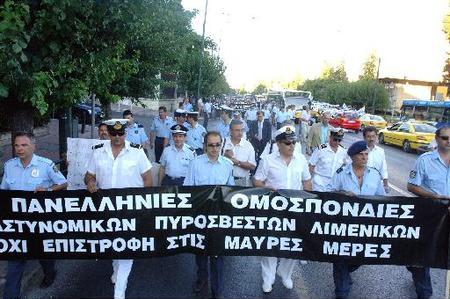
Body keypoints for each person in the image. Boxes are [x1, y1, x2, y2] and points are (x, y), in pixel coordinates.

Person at [85, 119, 152, 299]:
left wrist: (144, 206)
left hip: (131, 209)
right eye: (113, 134)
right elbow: (89, 175)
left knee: (127, 246)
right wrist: (90, 182)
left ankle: (119, 291)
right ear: (108, 133)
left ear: (125, 134)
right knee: (113, 242)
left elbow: (147, 179)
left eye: (120, 134)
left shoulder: (137, 153)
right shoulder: (98, 152)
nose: (116, 137)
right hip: (106, 209)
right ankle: (116, 268)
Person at [1, 131, 68, 299]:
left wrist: (48, 190)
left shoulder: (46, 165)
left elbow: (63, 183)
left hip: (40, 223)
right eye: (16, 145)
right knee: (14, 263)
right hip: (17, 225)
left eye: (24, 145)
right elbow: (4, 191)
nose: (19, 149)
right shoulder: (9, 166)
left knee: (44, 255)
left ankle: (50, 272)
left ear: (33, 146)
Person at [253, 125, 312, 293]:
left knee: (292, 243)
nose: (291, 146)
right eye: (287, 143)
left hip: (295, 209)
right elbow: (257, 181)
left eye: (293, 142)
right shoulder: (268, 160)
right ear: (278, 144)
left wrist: (310, 202)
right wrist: (268, 187)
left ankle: (285, 274)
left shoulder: (301, 159)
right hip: (273, 209)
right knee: (271, 243)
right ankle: (268, 278)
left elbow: (307, 182)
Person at [330, 140, 385, 299]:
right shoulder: (341, 173)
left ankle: (346, 272)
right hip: (343, 225)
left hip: (366, 227)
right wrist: (341, 194)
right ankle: (342, 290)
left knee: (361, 256)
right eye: (360, 154)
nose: (364, 157)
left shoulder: (375, 174)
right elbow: (327, 194)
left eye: (366, 154)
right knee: (340, 257)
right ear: (352, 157)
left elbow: (383, 200)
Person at [184, 131, 234, 299]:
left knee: (217, 254)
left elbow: (230, 191)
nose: (214, 148)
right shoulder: (195, 164)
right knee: (200, 251)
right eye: (211, 145)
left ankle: (216, 289)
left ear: (221, 145)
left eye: (217, 145)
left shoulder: (228, 165)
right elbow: (188, 189)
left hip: (219, 217)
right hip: (200, 216)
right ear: (205, 145)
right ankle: (202, 278)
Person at [406, 125, 450, 299]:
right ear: (437, 139)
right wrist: (435, 196)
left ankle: (411, 263)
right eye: (445, 138)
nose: (449, 141)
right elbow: (411, 186)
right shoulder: (425, 160)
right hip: (430, 214)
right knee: (425, 252)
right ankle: (424, 291)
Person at [222, 119, 256, 186]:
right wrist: (224, 157)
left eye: (242, 130)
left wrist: (237, 162)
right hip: (223, 180)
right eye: (237, 130)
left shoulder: (248, 146)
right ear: (230, 131)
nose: (240, 133)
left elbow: (253, 166)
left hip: (241, 182)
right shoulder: (222, 142)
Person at [363, 126, 389, 193]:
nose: (371, 139)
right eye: (368, 136)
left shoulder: (381, 151)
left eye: (373, 136)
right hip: (361, 184)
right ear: (364, 138)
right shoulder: (359, 151)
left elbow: (383, 169)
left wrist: (385, 185)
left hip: (376, 184)